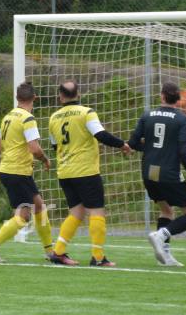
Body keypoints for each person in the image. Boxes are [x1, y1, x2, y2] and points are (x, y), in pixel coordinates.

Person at [47, 80, 130, 267]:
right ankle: (98, 257)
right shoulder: (86, 112)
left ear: (60, 96)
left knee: (76, 213)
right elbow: (100, 135)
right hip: (85, 171)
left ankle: (58, 252)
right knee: (96, 211)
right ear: (78, 94)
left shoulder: (53, 118)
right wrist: (122, 144)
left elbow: (54, 146)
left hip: (65, 172)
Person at [0, 82, 55, 263]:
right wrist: (44, 159)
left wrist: (17, 152)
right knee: (23, 216)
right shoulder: (28, 118)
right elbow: (35, 148)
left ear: (17, 98)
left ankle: (50, 251)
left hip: (9, 169)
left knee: (39, 205)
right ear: (35, 98)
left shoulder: (8, 117)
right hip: (17, 171)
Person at [128, 81, 186, 267]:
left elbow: (133, 143)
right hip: (169, 173)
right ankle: (161, 235)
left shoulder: (147, 115)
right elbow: (184, 151)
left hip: (149, 172)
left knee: (166, 210)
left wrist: (149, 147)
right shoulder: (182, 119)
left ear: (161, 96)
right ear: (178, 99)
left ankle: (165, 256)